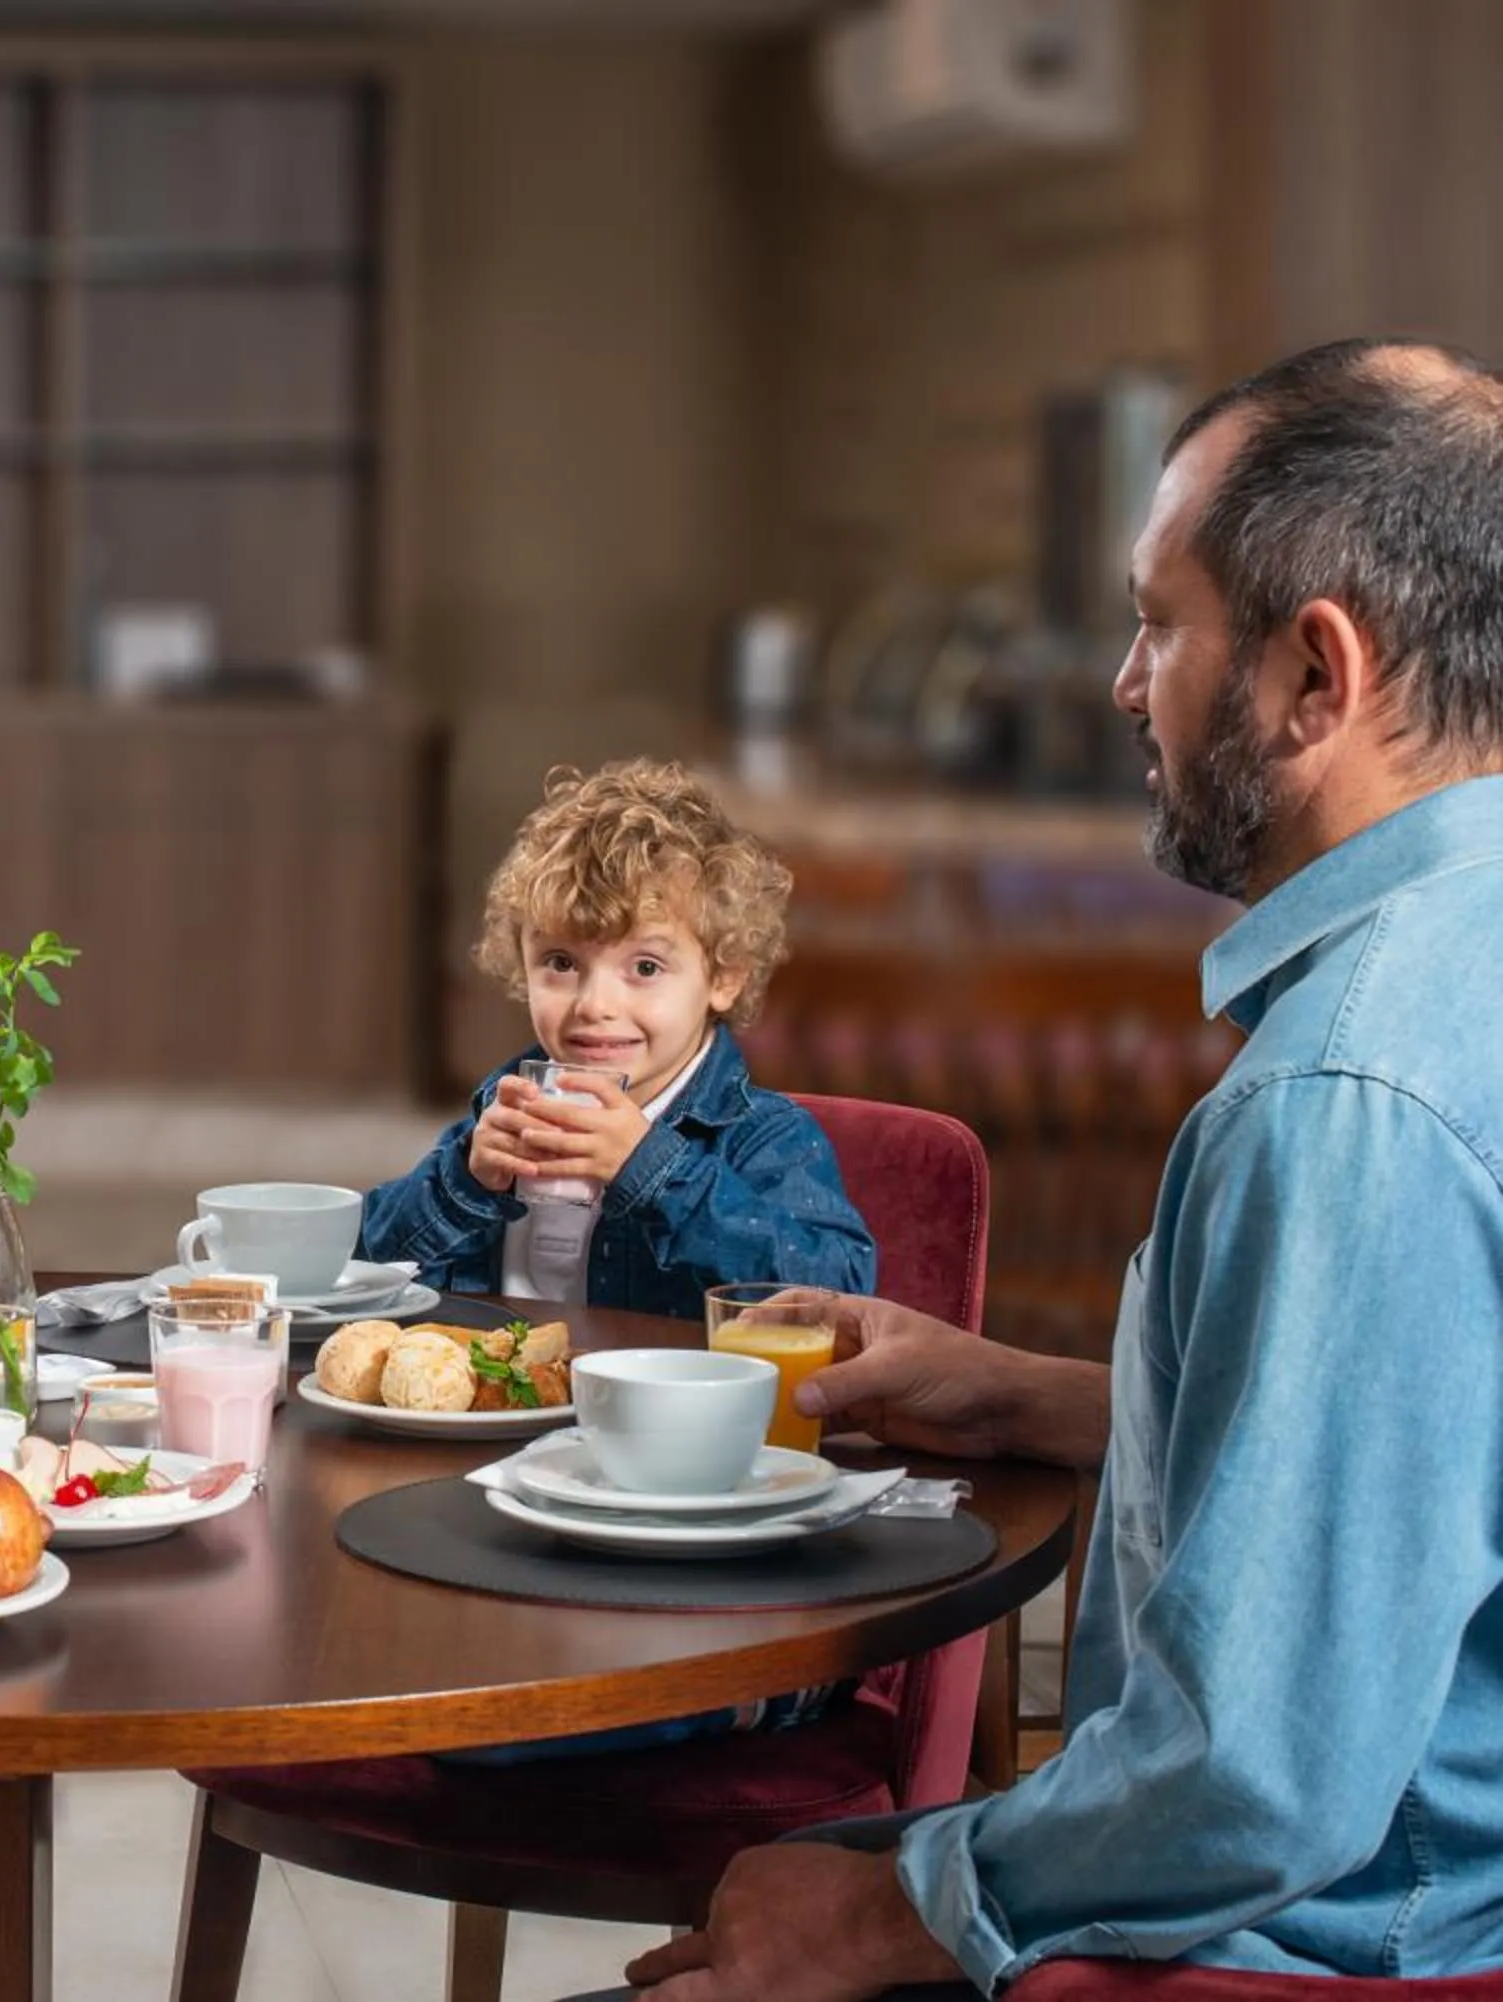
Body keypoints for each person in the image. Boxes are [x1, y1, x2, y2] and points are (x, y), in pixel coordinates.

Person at [579, 339, 1503, 2001]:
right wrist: (1039, 1397)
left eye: (1162, 623)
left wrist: (895, 1911)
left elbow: (1257, 1776)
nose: (1124, 684)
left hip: (1331, 1949)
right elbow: (1425, 1463)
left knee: (774, 1903)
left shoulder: (1349, 1097)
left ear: (1316, 672)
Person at [359, 758, 874, 1315]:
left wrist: (650, 1169)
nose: (594, 1005)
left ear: (724, 977)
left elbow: (837, 1294)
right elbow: (359, 1272)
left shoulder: (765, 1138)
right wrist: (461, 1184)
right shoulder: (498, 1120)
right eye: (560, 961)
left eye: (646, 968)